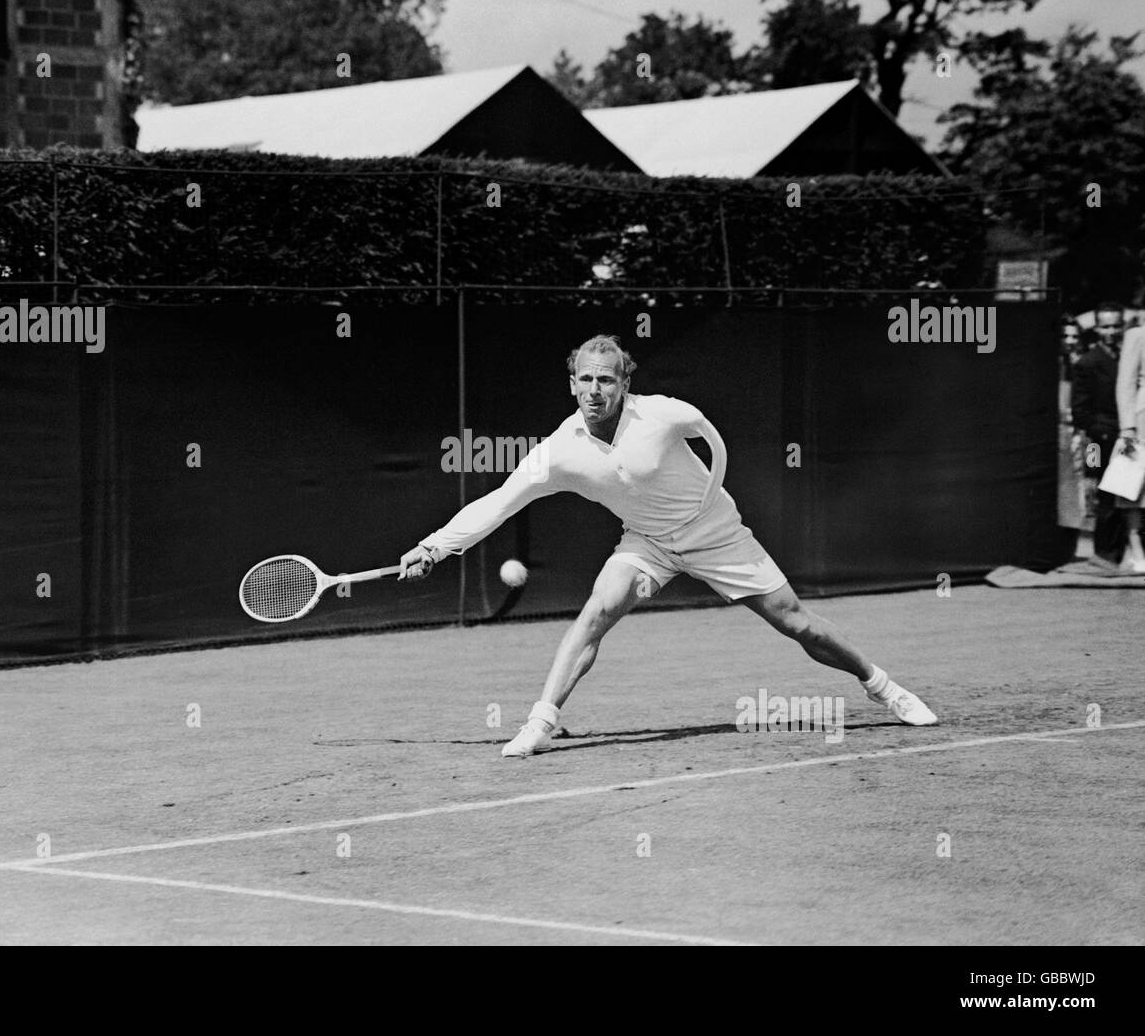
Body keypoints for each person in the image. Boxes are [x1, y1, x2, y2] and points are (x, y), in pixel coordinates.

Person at [398, 335, 938, 758]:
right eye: (583, 379)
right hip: (648, 543)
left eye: (605, 380)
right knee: (596, 612)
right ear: (570, 384)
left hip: (717, 535)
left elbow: (713, 437)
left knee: (796, 623)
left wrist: (711, 495)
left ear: (623, 384)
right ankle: (540, 722)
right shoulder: (558, 451)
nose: (593, 390)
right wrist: (434, 547)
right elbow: (499, 501)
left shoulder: (661, 413)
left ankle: (883, 687)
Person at [1071, 304, 1127, 567]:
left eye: (1116, 325)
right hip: (1103, 440)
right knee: (1107, 496)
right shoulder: (1088, 362)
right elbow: (1080, 411)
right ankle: (1105, 553)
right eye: (1106, 326)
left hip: (1129, 435)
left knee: (1131, 498)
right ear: (1096, 329)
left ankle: (1126, 550)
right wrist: (1103, 435)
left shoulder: (1129, 355)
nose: (1112, 331)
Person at [1115, 319, 1145, 571]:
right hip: (1140, 420)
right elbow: (1125, 383)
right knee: (1130, 485)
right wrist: (1127, 426)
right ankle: (1135, 548)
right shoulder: (1137, 335)